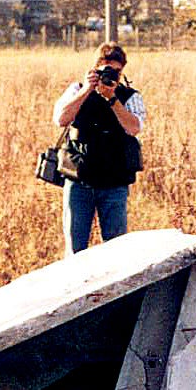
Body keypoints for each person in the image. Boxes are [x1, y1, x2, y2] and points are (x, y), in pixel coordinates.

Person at [52, 42, 146, 255]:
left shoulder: (130, 96)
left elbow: (133, 128)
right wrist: (87, 89)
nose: (111, 75)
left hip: (114, 183)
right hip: (79, 181)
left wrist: (112, 99)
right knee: (75, 250)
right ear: (95, 68)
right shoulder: (77, 90)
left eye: (117, 71)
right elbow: (61, 119)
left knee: (116, 249)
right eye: (106, 70)